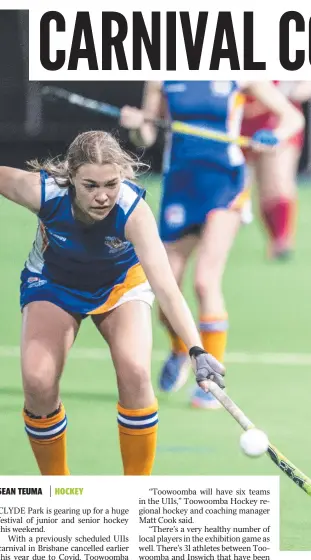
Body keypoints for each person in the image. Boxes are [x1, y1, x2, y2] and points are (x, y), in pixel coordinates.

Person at [0, 130, 226, 476]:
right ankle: (58, 492)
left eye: (111, 184)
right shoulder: (42, 191)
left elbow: (166, 286)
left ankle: (135, 493)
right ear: (70, 177)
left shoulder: (133, 210)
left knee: (136, 373)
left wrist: (196, 350)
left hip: (121, 287)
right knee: (38, 382)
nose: (103, 196)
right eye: (90, 185)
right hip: (53, 284)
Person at [120, 81, 305, 408]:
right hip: (180, 184)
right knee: (166, 287)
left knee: (206, 281)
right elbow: (147, 135)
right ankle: (180, 346)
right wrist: (137, 127)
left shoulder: (238, 73)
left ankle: (212, 380)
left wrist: (273, 137)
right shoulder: (161, 76)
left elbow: (292, 117)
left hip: (225, 182)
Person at [240, 81, 311, 260]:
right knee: (253, 190)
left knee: (277, 182)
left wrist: (289, 92)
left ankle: (282, 240)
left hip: (280, 120)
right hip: (239, 118)